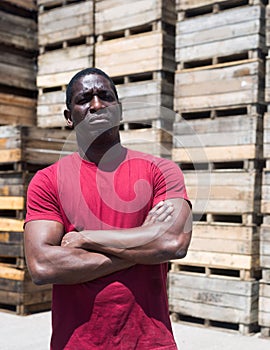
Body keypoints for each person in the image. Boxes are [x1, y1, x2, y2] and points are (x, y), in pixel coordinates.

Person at [24, 67, 192, 350]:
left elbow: (173, 243)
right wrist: (143, 245)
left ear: (119, 110)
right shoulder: (48, 181)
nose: (97, 105)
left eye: (105, 96)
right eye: (84, 99)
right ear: (69, 117)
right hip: (77, 343)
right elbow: (43, 265)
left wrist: (88, 238)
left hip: (150, 342)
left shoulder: (161, 171)